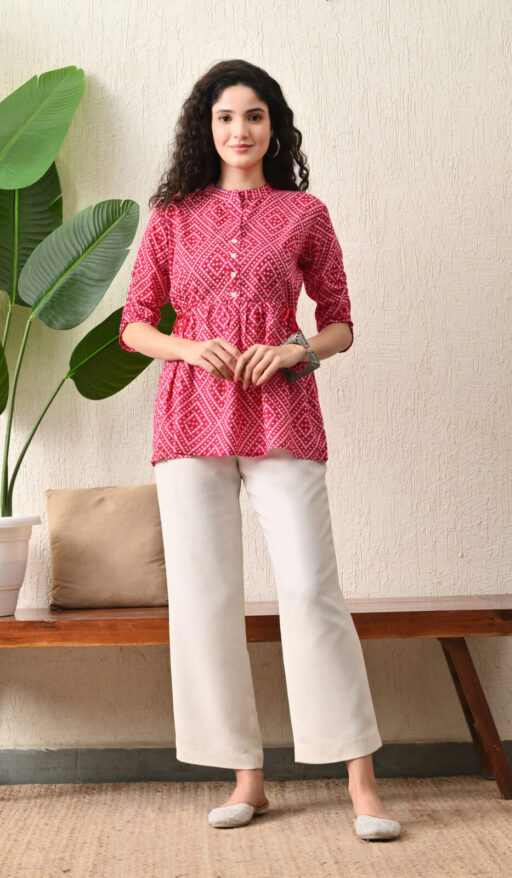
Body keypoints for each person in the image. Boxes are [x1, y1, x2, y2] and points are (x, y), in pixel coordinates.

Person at [118, 59, 401, 842]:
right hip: (190, 416)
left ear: (274, 128)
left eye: (253, 116)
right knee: (206, 596)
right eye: (224, 117)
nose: (238, 130)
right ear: (204, 129)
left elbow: (340, 321)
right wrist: (188, 347)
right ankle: (246, 776)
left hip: (283, 411)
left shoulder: (304, 213)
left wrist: (295, 350)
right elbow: (133, 323)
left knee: (311, 587)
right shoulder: (172, 216)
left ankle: (362, 782)